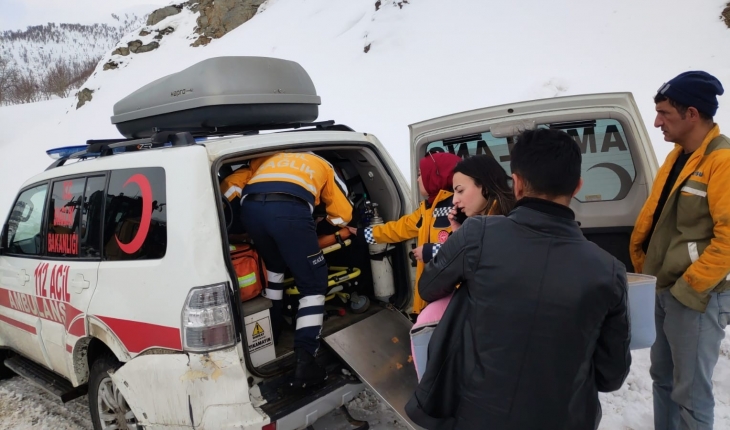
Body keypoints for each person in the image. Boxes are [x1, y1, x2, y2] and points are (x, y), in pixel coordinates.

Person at [405, 128, 631, 430]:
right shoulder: (610, 270)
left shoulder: (477, 234)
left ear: (518, 184)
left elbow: (429, 287)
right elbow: (610, 376)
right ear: (577, 186)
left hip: (475, 416)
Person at [629, 71, 730, 430]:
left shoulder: (722, 161)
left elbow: (729, 238)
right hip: (664, 287)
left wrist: (690, 287)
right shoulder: (678, 156)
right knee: (664, 380)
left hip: (696, 296)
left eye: (664, 113)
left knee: (691, 395)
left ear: (691, 113)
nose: (656, 122)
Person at [221, 152, 352, 388]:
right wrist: (320, 227)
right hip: (290, 211)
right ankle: (306, 361)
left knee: (274, 268)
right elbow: (344, 214)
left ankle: (272, 329)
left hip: (251, 210)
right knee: (312, 284)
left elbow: (229, 186)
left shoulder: (267, 158)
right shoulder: (324, 164)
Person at [410, 154, 515, 380]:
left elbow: (429, 287)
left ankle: (427, 395)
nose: (455, 200)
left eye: (459, 190)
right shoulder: (512, 217)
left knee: (427, 319)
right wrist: (459, 234)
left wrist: (458, 239)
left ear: (484, 186)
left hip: (493, 330)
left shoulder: (484, 229)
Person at [347, 152, 461, 314]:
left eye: (421, 175)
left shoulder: (461, 208)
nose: (417, 179)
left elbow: (468, 246)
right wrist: (361, 233)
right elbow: (397, 229)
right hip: (435, 292)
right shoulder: (427, 209)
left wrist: (430, 251)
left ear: (435, 175)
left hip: (456, 296)